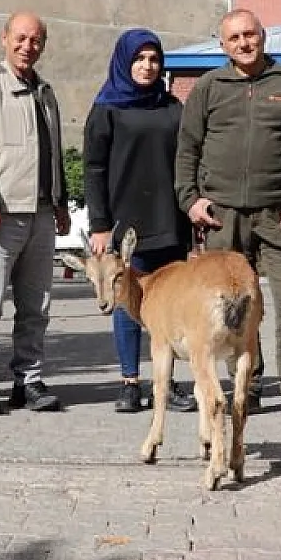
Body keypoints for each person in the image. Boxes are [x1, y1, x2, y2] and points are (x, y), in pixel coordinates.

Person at [176, 8, 281, 423]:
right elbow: (187, 148)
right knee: (233, 308)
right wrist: (190, 200)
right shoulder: (209, 87)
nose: (244, 43)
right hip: (222, 217)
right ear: (223, 45)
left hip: (280, 215)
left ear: (263, 35)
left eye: (250, 34)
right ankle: (247, 386)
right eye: (235, 38)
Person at [0, 12, 72, 415]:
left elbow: (53, 152)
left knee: (36, 306)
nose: (28, 46)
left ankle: (29, 380)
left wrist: (60, 201)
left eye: (36, 40)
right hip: (1, 214)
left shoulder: (46, 92)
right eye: (21, 38)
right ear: (4, 38)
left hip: (41, 214)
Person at [83, 28, 196, 415]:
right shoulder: (106, 109)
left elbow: (188, 160)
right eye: (139, 59)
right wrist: (100, 224)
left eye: (154, 59)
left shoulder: (172, 108)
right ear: (123, 62)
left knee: (170, 306)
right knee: (127, 302)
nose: (147, 66)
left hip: (169, 219)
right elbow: (94, 169)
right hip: (124, 225)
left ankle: (167, 382)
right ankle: (129, 382)